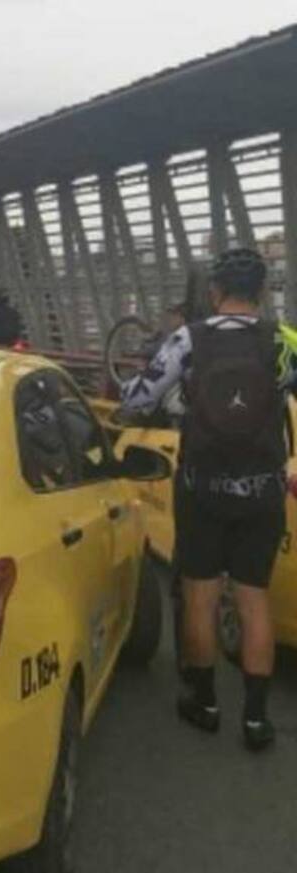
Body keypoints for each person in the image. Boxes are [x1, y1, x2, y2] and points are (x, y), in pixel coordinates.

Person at [119, 248, 297, 751]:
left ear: (215, 291)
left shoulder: (188, 339)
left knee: (200, 592)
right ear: (262, 292)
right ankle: (258, 720)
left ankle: (204, 703)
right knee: (252, 597)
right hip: (263, 489)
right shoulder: (283, 340)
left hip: (202, 487)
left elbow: (137, 400)